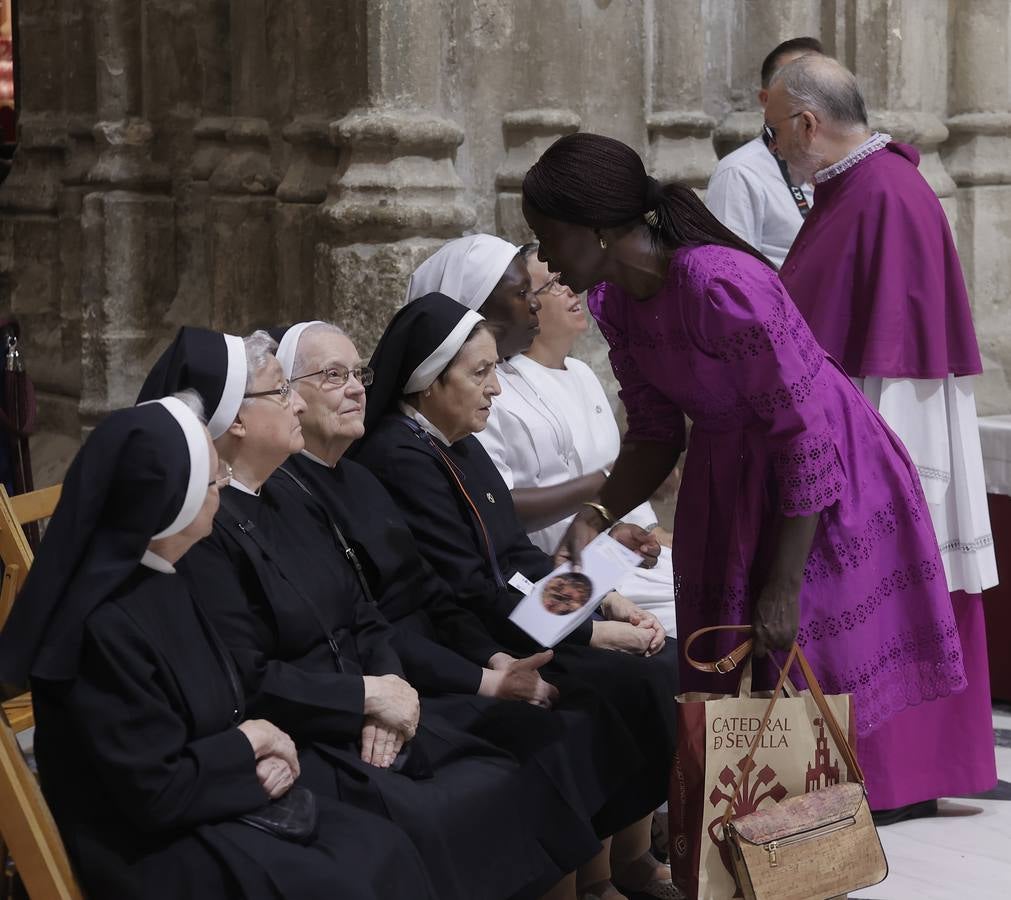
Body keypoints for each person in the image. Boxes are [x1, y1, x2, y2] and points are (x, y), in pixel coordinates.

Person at [520, 131, 976, 819]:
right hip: (725, 477)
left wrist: (783, 586)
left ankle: (809, 852)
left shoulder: (716, 283)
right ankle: (744, 847)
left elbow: (804, 433)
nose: (546, 260)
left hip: (819, 482)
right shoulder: (617, 303)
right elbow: (652, 435)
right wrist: (593, 519)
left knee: (800, 663)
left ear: (594, 227)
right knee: (725, 675)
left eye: (547, 236)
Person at [146, 329, 594, 900]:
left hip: (373, 702)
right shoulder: (206, 532)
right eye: (283, 391)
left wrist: (388, 691)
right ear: (235, 420)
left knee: (513, 776)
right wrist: (365, 700)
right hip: (312, 729)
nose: (298, 403)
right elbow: (247, 678)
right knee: (441, 816)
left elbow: (365, 612)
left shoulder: (292, 494)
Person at [275, 319, 690, 899]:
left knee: (659, 668)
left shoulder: (457, 446)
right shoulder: (399, 458)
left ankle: (627, 862)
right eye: (481, 372)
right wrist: (587, 632)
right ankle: (594, 884)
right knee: (606, 696)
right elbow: (477, 589)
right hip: (477, 640)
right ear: (429, 382)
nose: (497, 386)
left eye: (358, 375)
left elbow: (513, 557)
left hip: (491, 632)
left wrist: (603, 588)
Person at [0, 396, 432, 899]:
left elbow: (213, 706)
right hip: (148, 850)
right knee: (351, 874)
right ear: (170, 501)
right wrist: (250, 746)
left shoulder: (165, 573)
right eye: (212, 479)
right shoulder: (101, 625)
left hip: (208, 797)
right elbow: (153, 791)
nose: (224, 486)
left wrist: (254, 752)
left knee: (383, 843)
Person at [769, 54, 998, 821]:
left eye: (775, 132)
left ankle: (897, 776)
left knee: (886, 583)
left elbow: (889, 349)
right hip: (865, 413)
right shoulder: (861, 185)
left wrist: (876, 484)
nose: (771, 148)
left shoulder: (881, 195)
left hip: (889, 420)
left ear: (807, 124)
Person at [406, 235, 677, 636]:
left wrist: (610, 579)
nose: (494, 387)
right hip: (535, 605)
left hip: (574, 579)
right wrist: (594, 629)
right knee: (694, 632)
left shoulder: (465, 432)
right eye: (527, 291)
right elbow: (492, 579)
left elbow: (523, 563)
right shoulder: (421, 449)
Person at [705, 36, 822, 268]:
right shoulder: (739, 173)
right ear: (767, 100)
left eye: (825, 87)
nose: (816, 100)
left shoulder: (845, 165)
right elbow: (733, 277)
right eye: (799, 87)